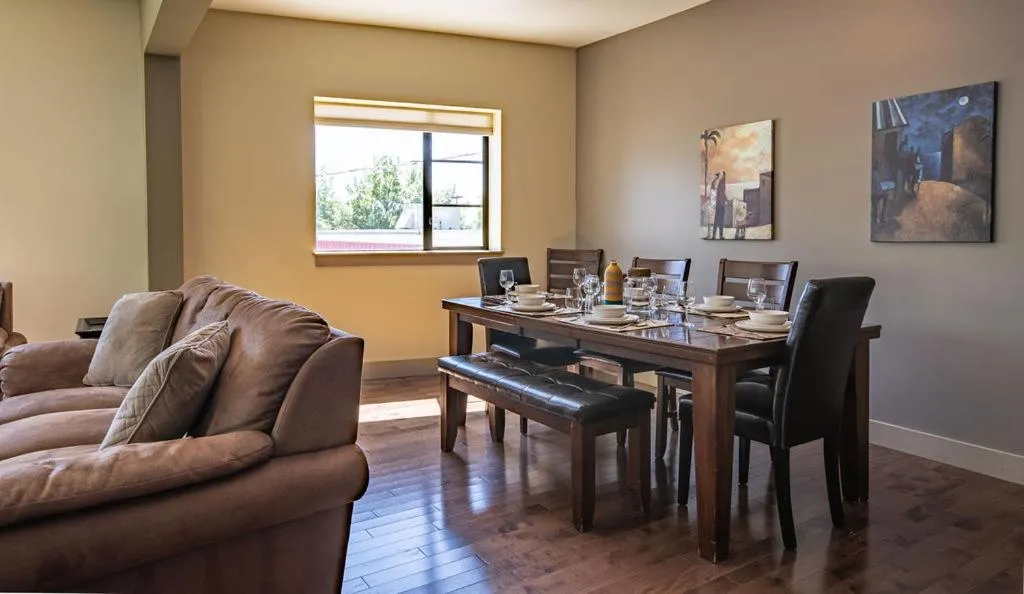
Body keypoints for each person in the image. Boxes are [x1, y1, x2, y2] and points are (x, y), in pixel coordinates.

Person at [704, 172, 720, 239]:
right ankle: (710, 234)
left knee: (712, 220)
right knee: (710, 220)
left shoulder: (715, 185)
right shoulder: (714, 188)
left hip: (713, 204)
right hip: (713, 204)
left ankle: (711, 235)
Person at [713, 172, 728, 239]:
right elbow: (720, 194)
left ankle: (716, 235)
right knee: (719, 221)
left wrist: (726, 200)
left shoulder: (721, 183)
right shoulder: (721, 183)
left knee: (717, 221)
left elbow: (722, 194)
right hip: (720, 205)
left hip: (720, 204)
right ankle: (719, 235)